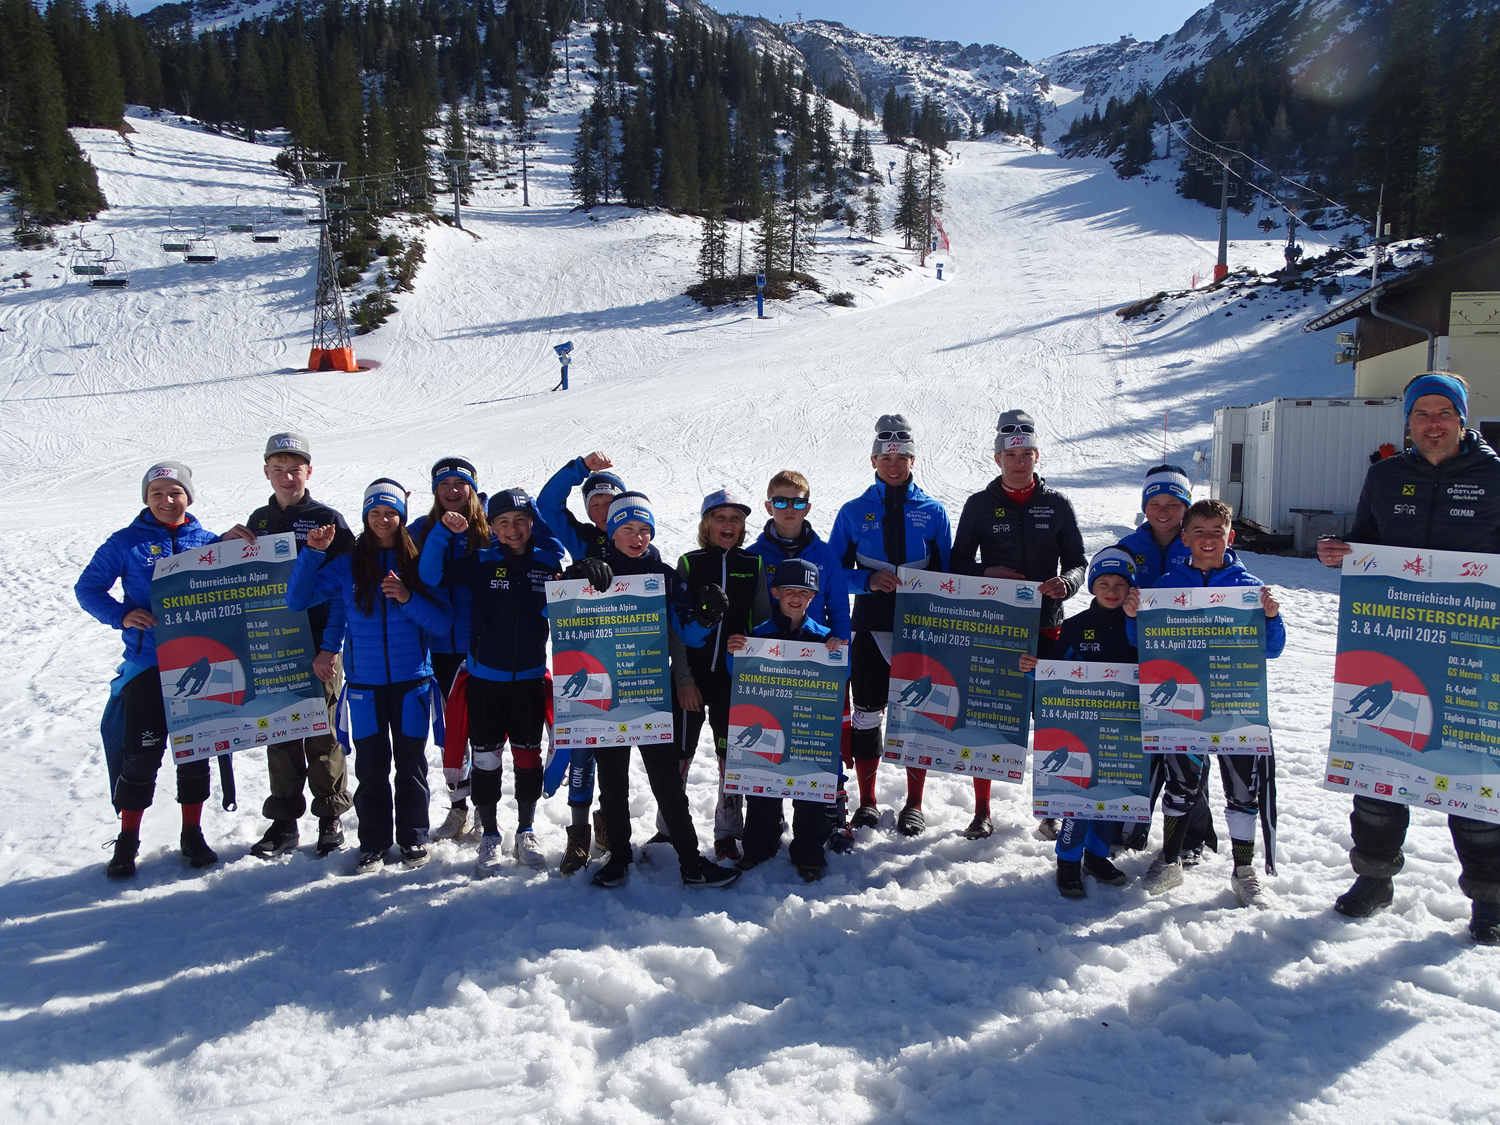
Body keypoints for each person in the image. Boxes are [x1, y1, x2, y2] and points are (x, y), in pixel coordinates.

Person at [1316, 372, 1500, 943]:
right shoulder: (1386, 475)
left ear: (1463, 417)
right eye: (1423, 413)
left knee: (1472, 774)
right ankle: (1374, 879)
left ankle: (1489, 899)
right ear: (1409, 422)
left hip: (1473, 649)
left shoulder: (1495, 475)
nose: (1434, 422)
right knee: (1379, 765)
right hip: (1392, 645)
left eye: (1445, 411)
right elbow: (1366, 538)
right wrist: (1338, 550)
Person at [75, 462, 249, 878]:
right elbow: (88, 587)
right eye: (157, 493)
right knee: (142, 756)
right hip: (149, 665)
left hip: (198, 663)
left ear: (188, 496)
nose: (166, 501)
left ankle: (193, 835)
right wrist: (122, 615)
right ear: (146, 498)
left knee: (194, 754)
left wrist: (234, 545)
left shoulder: (206, 542)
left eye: (175, 493)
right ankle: (127, 842)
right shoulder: (126, 543)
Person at [1124, 498, 1284, 908]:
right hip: (1182, 703)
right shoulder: (1166, 585)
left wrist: (1271, 617)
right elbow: (1141, 644)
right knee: (1180, 784)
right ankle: (1171, 859)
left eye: (1217, 532)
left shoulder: (1249, 587)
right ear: (1185, 537)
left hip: (1237, 702)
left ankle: (1243, 871)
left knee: (1242, 791)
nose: (1208, 540)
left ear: (1230, 537)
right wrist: (1132, 616)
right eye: (1199, 532)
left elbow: (1274, 649)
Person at [287, 480, 452, 872]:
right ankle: (374, 843)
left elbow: (442, 623)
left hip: (412, 682)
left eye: (391, 513)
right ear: (365, 516)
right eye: (375, 512)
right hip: (364, 685)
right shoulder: (346, 565)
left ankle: (413, 837)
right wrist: (312, 554)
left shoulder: (418, 563)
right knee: (371, 768)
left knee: (411, 765)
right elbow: (297, 600)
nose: (383, 519)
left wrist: (407, 597)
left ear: (402, 517)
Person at [585, 491, 741, 889]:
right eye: (628, 529)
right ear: (612, 532)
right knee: (613, 781)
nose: (637, 537)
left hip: (650, 690)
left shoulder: (665, 576)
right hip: (603, 693)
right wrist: (579, 574)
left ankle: (690, 860)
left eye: (644, 530)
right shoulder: (593, 568)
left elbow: (685, 631)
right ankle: (619, 856)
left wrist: (706, 616)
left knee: (667, 781)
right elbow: (557, 613)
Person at [419, 487, 573, 876]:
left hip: (530, 681)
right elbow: (429, 574)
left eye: (520, 521)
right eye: (503, 522)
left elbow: (571, 578)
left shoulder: (547, 562)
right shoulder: (481, 560)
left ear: (531, 523)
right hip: (485, 682)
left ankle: (525, 830)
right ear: (491, 526)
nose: (513, 529)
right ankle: (489, 834)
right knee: (486, 762)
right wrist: (441, 533)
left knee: (527, 759)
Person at [951, 409, 1085, 840]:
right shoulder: (979, 505)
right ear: (997, 458)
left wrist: (1067, 583)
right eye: (1011, 454)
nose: (1018, 461)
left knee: (1052, 722)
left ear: (1036, 455)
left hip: (1048, 626)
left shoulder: (1057, 504)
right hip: (996, 628)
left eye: (1026, 453)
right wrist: (984, 574)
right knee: (990, 718)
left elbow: (1079, 562)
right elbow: (956, 566)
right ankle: (983, 810)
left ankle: (1053, 810)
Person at [828, 414, 952, 836]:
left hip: (920, 632)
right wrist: (865, 579)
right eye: (886, 457)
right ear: (874, 460)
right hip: (870, 628)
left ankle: (914, 805)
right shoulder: (853, 511)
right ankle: (867, 803)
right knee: (866, 715)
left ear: (913, 460)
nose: (894, 465)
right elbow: (831, 572)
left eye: (901, 457)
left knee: (917, 718)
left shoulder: (933, 511)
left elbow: (949, 575)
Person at [243, 432, 356, 860]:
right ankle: (284, 821)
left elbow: (347, 585)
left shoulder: (327, 518)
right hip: (272, 644)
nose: (287, 476)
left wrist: (330, 647)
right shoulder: (259, 520)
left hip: (318, 643)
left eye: (295, 468)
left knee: (322, 729)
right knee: (281, 729)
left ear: (309, 471)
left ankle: (330, 814)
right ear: (267, 471)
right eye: (278, 469)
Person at [1025, 547, 1137, 897]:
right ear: (1091, 587)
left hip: (1124, 729)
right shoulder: (1072, 628)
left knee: (1112, 796)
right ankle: (1068, 861)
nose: (1112, 590)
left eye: (1121, 583)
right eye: (1103, 582)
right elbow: (1051, 676)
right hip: (1078, 730)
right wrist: (1033, 668)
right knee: (1077, 799)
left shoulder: (1140, 628)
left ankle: (1098, 856)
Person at [725, 558, 844, 880]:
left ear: (813, 598)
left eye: (804, 592)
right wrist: (733, 653)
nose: (796, 597)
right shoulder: (759, 636)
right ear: (775, 592)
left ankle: (809, 852)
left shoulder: (824, 638)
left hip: (807, 728)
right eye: (789, 590)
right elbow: (739, 676)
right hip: (767, 725)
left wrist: (838, 653)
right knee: (762, 791)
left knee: (810, 797)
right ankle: (759, 848)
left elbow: (837, 682)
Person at [671, 488, 772, 861]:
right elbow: (676, 627)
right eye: (720, 517)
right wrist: (683, 680)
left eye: (736, 518)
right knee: (678, 754)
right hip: (692, 679)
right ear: (706, 524)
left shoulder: (753, 564)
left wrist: (751, 644)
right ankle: (669, 828)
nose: (728, 524)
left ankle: (728, 830)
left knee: (732, 758)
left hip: (735, 682)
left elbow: (763, 623)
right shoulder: (689, 563)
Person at [1115, 465, 1210, 860]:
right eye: (1155, 503)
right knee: (1141, 748)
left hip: (1190, 662)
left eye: (1173, 503)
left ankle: (1191, 836)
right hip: (1138, 657)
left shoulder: (1201, 543)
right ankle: (1132, 828)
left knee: (1189, 749)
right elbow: (1107, 592)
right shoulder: (1128, 546)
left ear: (1186, 507)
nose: (1164, 511)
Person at [408, 456, 489, 841]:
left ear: (472, 487)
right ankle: (459, 808)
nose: (453, 491)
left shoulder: (490, 526)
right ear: (435, 491)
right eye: (445, 485)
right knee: (450, 733)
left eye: (461, 483)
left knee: (485, 732)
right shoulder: (420, 530)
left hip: (482, 645)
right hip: (437, 647)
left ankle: (485, 809)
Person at [537, 450, 625, 562]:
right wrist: (580, 468)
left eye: (610, 503)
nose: (603, 511)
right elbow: (548, 505)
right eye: (595, 505)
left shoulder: (640, 534)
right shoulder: (583, 539)